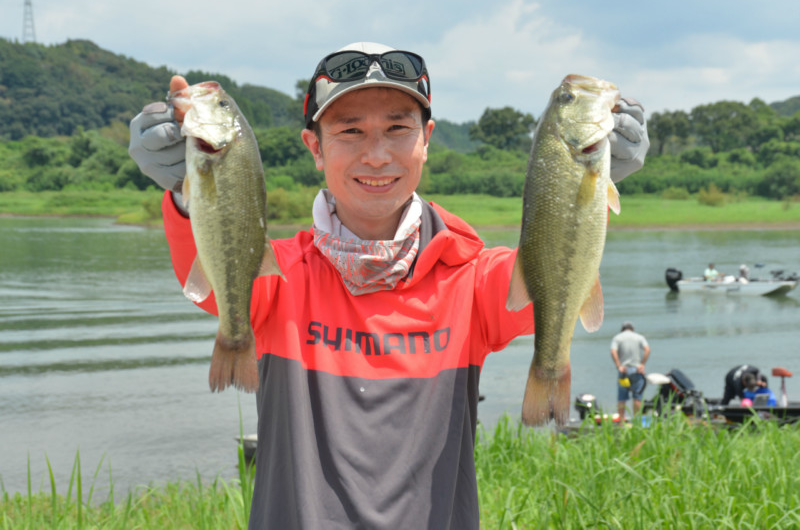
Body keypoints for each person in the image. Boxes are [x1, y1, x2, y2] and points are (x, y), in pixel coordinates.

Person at [128, 42, 650, 529]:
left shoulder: (473, 277)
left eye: (398, 128)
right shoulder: (274, 275)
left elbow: (554, 269)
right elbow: (219, 275)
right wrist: (188, 194)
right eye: (350, 131)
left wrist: (588, 182)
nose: (376, 155)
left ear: (426, 140)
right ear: (315, 147)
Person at [610, 321, 651, 420]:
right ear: (632, 329)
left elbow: (613, 351)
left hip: (624, 372)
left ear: (622, 329)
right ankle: (637, 421)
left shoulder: (617, 338)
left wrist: (618, 365)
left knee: (622, 398)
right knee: (637, 398)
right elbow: (647, 349)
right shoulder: (639, 337)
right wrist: (642, 364)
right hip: (636, 371)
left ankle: (621, 422)